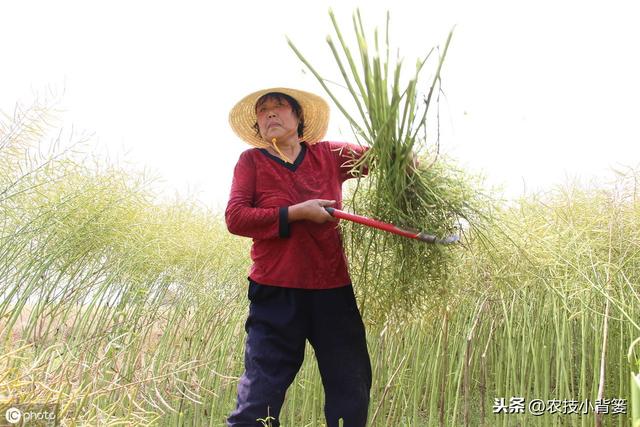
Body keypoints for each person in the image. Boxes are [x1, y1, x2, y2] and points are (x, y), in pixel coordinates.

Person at [225, 87, 372, 427]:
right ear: (258, 125)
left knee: (351, 389)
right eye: (263, 111)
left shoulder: (329, 155)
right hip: (275, 291)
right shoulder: (252, 162)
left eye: (279, 107)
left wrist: (402, 158)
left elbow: (379, 158)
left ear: (299, 118)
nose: (270, 114)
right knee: (258, 397)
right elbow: (236, 218)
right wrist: (296, 213)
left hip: (332, 289)